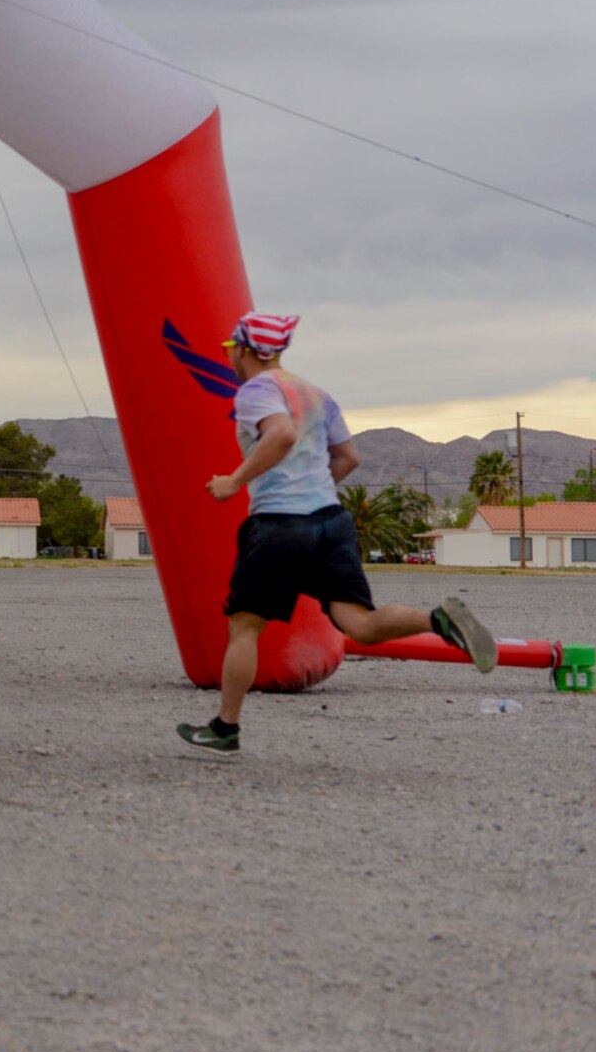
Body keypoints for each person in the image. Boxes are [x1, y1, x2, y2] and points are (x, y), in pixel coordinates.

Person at [177, 314, 496, 756]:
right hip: (330, 520)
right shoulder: (316, 394)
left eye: (232, 348)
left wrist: (234, 481)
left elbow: (283, 433)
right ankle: (438, 621)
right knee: (360, 624)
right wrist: (313, 487)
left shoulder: (256, 390)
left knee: (245, 627)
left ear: (249, 351)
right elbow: (348, 458)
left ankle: (226, 727)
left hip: (279, 525)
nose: (229, 354)